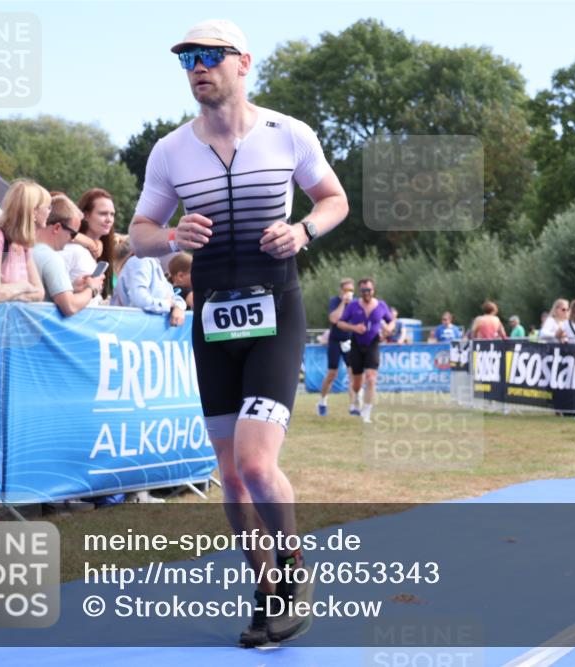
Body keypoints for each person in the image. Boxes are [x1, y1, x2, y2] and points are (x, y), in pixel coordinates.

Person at [127, 19, 348, 647]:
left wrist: (304, 231)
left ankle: (295, 571)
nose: (198, 67)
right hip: (212, 317)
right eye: (188, 59)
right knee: (228, 476)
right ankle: (266, 588)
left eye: (210, 56)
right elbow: (139, 232)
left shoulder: (288, 134)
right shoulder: (171, 150)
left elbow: (334, 200)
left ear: (243, 62)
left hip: (276, 308)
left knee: (255, 464)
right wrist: (170, 238)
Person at [33, 195, 104, 317]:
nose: (73, 239)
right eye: (73, 234)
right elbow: (70, 307)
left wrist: (71, 287)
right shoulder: (52, 258)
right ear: (57, 228)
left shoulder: (23, 249)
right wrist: (92, 289)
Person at [337, 278, 393, 424]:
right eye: (363, 290)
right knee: (357, 383)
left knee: (371, 378)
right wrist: (354, 328)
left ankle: (366, 412)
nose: (366, 293)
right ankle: (357, 394)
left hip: (373, 342)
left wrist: (388, 329)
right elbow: (340, 323)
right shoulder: (353, 305)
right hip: (356, 343)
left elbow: (391, 321)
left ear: (373, 290)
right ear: (360, 291)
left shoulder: (381, 305)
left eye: (368, 290)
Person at [62, 188, 117, 301]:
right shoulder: (72, 250)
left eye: (112, 214)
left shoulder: (97, 249)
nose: (109, 219)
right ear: (86, 215)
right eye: (103, 213)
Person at [318, 278, 358, 416]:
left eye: (351, 290)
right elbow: (334, 319)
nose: (349, 293)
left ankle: (353, 407)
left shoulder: (356, 303)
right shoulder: (335, 301)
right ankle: (322, 402)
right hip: (335, 341)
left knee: (352, 374)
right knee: (332, 374)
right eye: (347, 290)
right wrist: (343, 302)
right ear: (341, 290)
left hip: (349, 342)